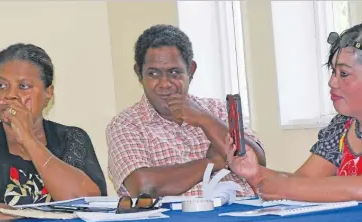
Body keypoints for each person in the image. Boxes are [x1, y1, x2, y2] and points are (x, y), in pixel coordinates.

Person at [225, 22, 362, 203]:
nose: (332, 82)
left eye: (344, 74)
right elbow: (305, 183)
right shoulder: (344, 124)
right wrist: (255, 173)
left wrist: (285, 188)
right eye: (333, 72)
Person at [106, 24, 266, 198]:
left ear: (191, 70)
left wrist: (205, 120)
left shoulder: (218, 110)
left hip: (243, 214)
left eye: (174, 73)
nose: (165, 83)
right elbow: (144, 187)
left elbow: (257, 164)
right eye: (153, 74)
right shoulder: (126, 124)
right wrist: (212, 162)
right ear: (139, 73)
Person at [0, 43, 107, 222]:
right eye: (2, 86)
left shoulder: (72, 139)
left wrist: (28, 139)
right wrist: (58, 217)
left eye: (23, 87)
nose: (9, 95)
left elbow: (88, 204)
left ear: (48, 94)